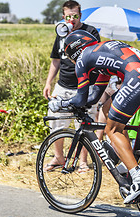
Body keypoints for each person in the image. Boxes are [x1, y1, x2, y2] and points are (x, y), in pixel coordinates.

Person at [48, 30, 140, 204]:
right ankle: (129, 163)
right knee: (109, 109)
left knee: (112, 130)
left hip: (139, 76)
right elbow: (94, 96)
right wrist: (79, 101)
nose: (71, 61)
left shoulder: (83, 58)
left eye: (69, 55)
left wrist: (61, 103)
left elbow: (80, 99)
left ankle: (139, 178)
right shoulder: (101, 54)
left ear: (74, 50)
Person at [43, 0, 100, 172]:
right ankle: (59, 158)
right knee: (56, 122)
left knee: (84, 126)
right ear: (63, 17)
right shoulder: (61, 33)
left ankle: (82, 162)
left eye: (75, 16)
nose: (72, 20)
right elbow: (56, 60)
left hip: (84, 86)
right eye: (68, 16)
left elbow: (96, 57)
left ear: (80, 15)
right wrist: (48, 83)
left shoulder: (90, 32)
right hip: (63, 85)